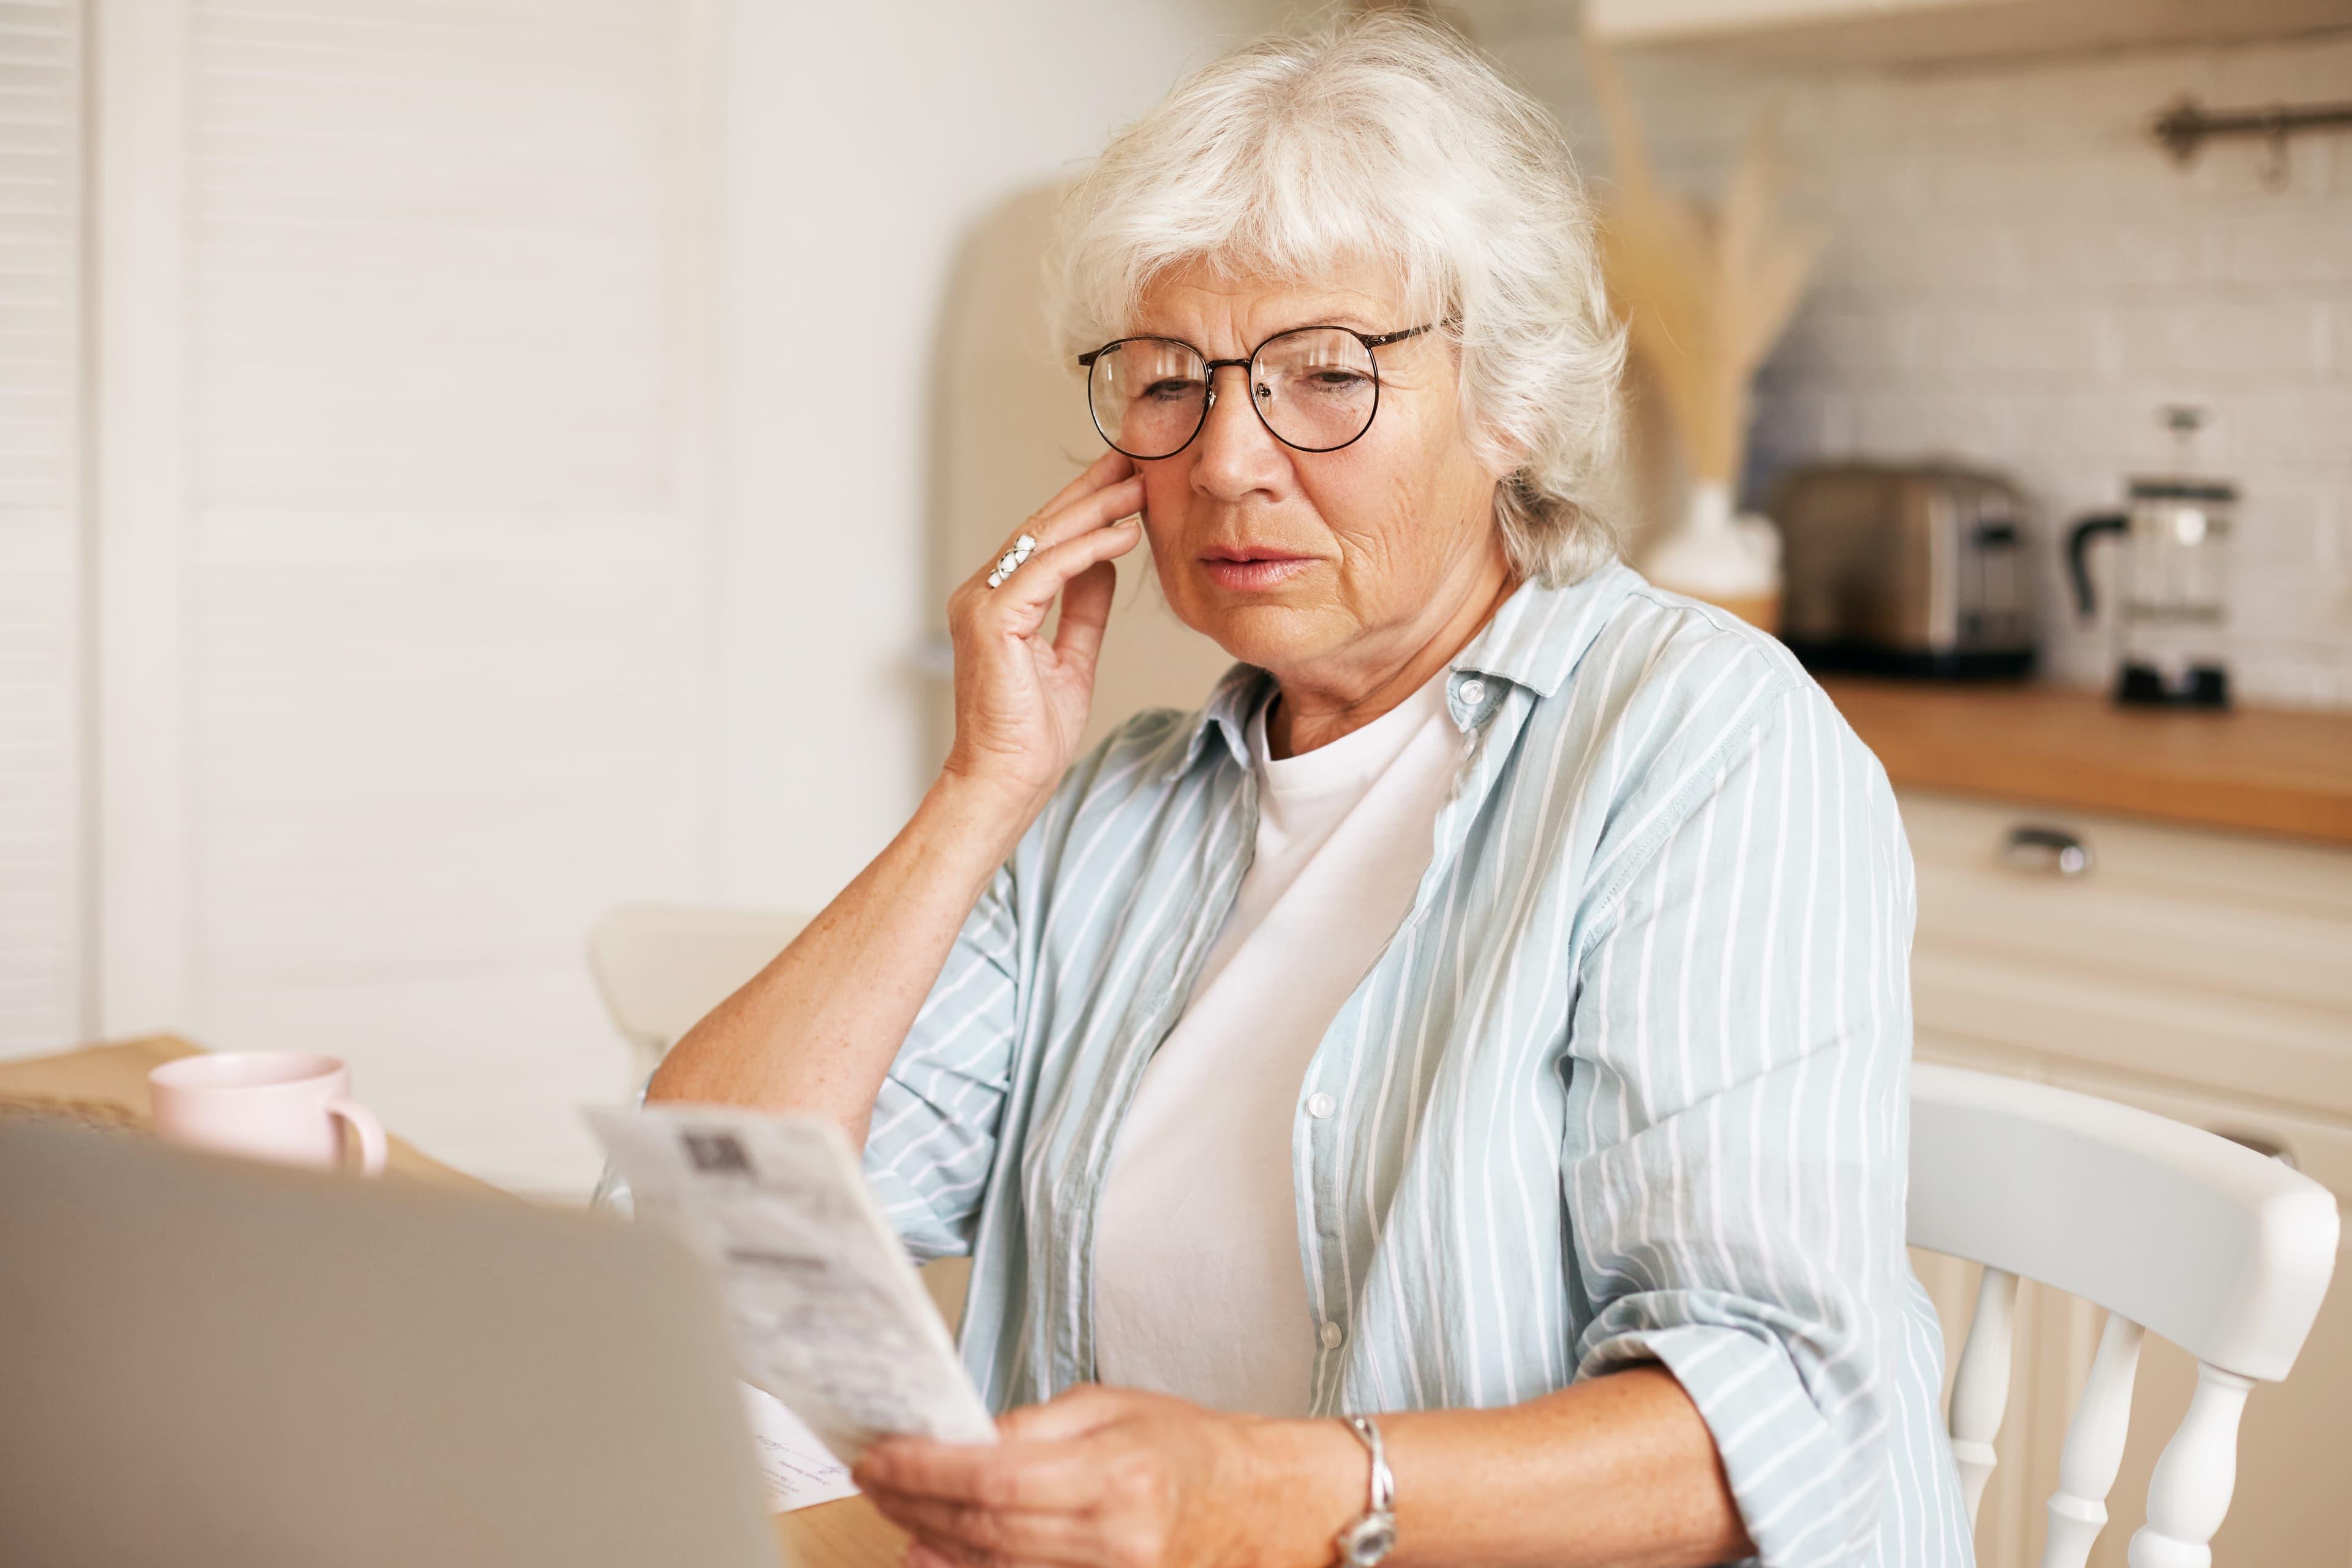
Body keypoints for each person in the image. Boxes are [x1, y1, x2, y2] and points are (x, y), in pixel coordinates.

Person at [650, 15, 1970, 1567]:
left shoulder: (1705, 745)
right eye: (1171, 383)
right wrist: (982, 782)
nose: (1224, 461)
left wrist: (1265, 1495)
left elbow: (1778, 1427)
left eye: (1323, 375)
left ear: (1513, 401)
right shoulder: (1122, 805)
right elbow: (713, 1223)